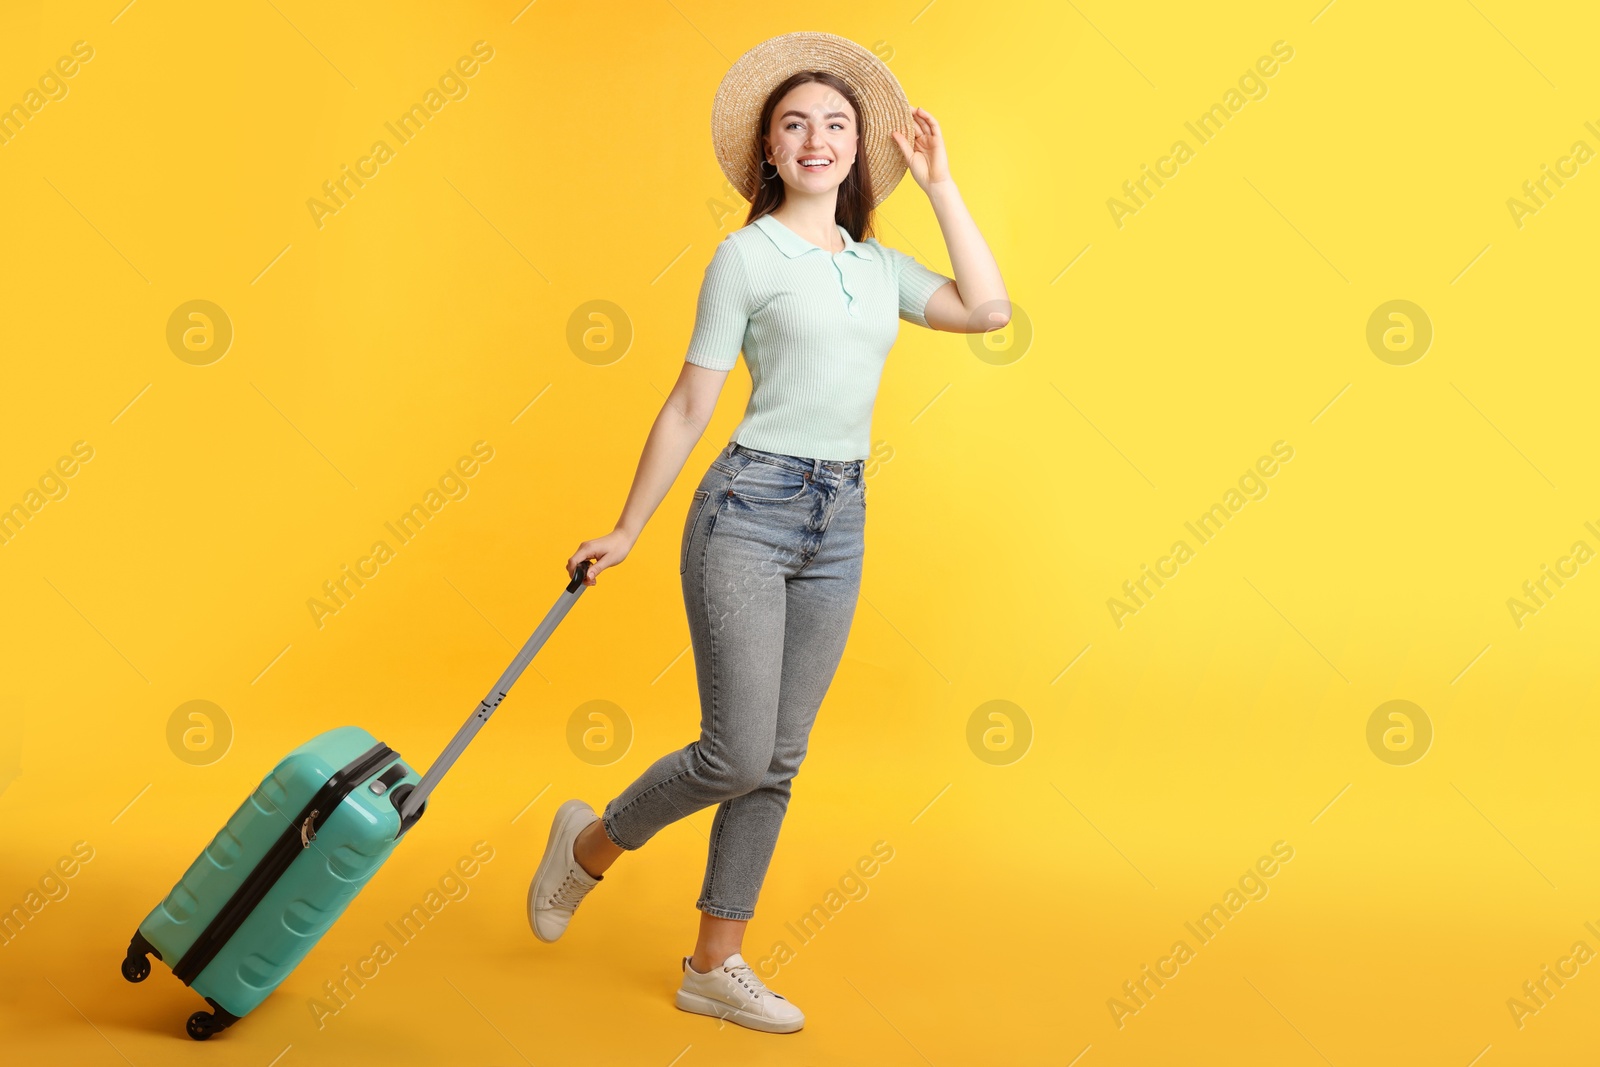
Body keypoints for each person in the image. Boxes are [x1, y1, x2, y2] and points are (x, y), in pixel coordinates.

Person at [526, 30, 1009, 1034]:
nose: (816, 138)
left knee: (778, 759)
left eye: (836, 123)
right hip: (746, 511)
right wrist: (626, 526)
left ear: (860, 150)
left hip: (841, 517)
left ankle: (715, 960)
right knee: (735, 750)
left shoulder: (878, 265)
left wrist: (939, 182)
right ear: (770, 154)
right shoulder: (743, 257)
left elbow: (987, 307)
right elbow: (688, 404)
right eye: (795, 124)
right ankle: (589, 846)